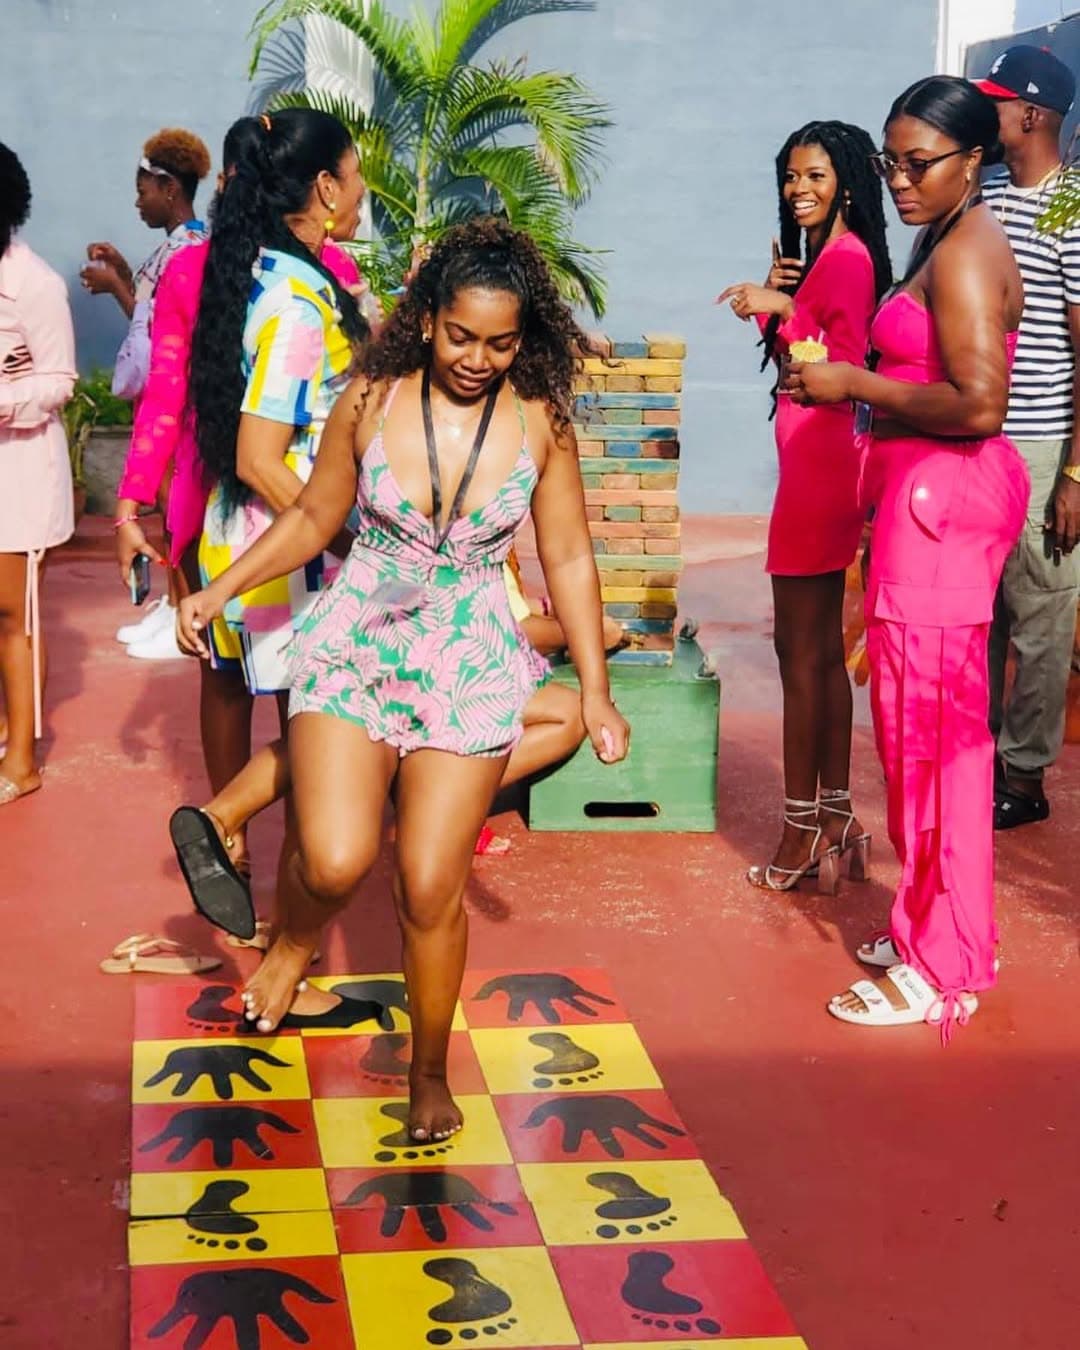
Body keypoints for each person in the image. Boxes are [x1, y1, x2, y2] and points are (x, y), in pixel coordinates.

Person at [178, 217, 629, 1140]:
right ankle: (296, 940)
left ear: (525, 337)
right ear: (427, 319)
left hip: (468, 657)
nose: (477, 358)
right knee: (337, 856)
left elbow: (572, 559)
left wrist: (595, 690)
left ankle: (429, 1070)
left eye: (501, 343)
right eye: (461, 335)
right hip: (356, 640)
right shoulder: (373, 398)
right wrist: (220, 589)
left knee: (428, 883)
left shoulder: (539, 422)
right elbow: (312, 517)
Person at [784, 77, 1028, 1033]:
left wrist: (853, 381)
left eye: (917, 161)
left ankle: (946, 963)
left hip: (946, 510)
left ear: (973, 158)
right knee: (915, 735)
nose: (897, 180)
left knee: (938, 749)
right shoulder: (948, 234)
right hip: (928, 510)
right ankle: (935, 920)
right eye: (891, 161)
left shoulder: (966, 253)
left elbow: (980, 404)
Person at [113, 118, 364, 889]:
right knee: (314, 726)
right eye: (355, 176)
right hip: (283, 533)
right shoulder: (296, 296)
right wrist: (344, 537)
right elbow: (261, 449)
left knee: (243, 689)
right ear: (322, 188)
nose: (363, 193)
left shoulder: (265, 272)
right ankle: (269, 879)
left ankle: (233, 848)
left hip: (231, 522)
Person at [717, 121, 892, 892]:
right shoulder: (828, 259)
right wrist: (778, 302)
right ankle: (836, 815)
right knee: (815, 654)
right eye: (791, 177)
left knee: (801, 655)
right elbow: (799, 356)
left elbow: (843, 368)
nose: (800, 190)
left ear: (847, 181)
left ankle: (800, 830)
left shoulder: (848, 262)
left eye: (816, 176)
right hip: (814, 461)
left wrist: (781, 307)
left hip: (824, 465)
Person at [973, 46, 1080, 830]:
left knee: (1042, 617)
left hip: (1044, 446)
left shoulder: (1072, 210)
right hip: (977, 438)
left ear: (1034, 114)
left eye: (999, 102)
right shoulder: (986, 196)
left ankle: (1024, 776)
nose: (990, 111)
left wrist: (1078, 472)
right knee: (983, 611)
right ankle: (974, 757)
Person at [81, 127, 211, 659]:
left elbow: (166, 328)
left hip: (175, 398)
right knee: (165, 505)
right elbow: (150, 319)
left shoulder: (191, 246)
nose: (138, 202)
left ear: (168, 189)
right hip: (158, 393)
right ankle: (170, 606)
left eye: (143, 192)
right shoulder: (172, 247)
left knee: (173, 505)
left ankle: (186, 609)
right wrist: (121, 274)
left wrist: (116, 286)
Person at [0, 143, 76, 804]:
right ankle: (9, 729)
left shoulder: (35, 284)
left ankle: (22, 761)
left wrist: (4, 400)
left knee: (14, 616)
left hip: (19, 470)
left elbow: (60, 380)